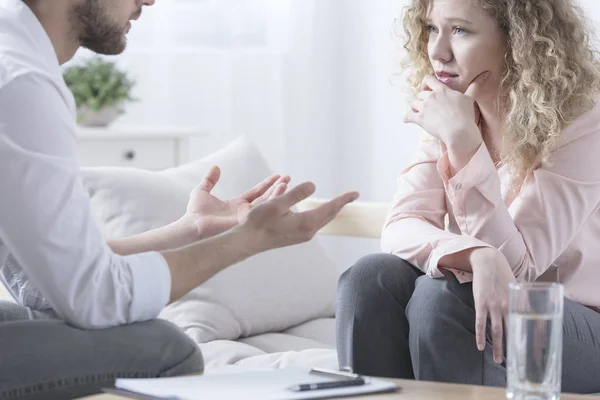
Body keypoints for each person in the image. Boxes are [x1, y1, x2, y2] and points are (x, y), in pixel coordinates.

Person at [0, 0, 359, 398]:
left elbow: (39, 282)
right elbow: (96, 298)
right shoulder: (21, 81)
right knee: (165, 349)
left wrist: (190, 231)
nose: (150, 1)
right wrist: (247, 240)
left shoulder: (14, 56)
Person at [336, 0, 600, 394]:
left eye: (460, 30)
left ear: (518, 39)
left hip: (576, 325)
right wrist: (477, 253)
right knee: (370, 278)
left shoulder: (584, 120)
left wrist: (462, 143)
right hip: (491, 299)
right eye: (431, 29)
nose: (438, 51)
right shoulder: (455, 106)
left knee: (443, 298)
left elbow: (521, 270)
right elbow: (400, 226)